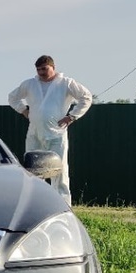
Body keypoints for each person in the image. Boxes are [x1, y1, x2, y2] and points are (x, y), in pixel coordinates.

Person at [8, 55, 92, 205]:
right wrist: (23, 110)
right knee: (32, 169)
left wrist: (72, 116)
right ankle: (33, 203)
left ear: (53, 67)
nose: (41, 72)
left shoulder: (66, 83)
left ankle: (62, 205)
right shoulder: (30, 84)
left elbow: (86, 97)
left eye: (44, 69)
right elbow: (13, 97)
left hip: (56, 133)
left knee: (59, 170)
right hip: (34, 132)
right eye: (39, 69)